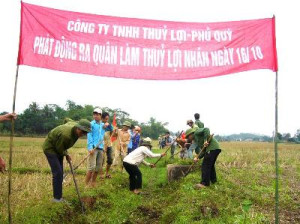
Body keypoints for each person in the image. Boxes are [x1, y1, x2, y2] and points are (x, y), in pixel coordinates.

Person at [43, 118, 91, 202]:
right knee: (57, 173)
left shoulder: (74, 124)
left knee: (60, 172)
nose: (83, 134)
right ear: (78, 128)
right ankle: (56, 199)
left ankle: (59, 196)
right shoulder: (66, 136)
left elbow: (66, 119)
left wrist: (62, 126)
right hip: (50, 148)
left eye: (85, 133)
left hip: (59, 146)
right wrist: (66, 154)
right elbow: (59, 149)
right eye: (82, 132)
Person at [86, 108, 106, 187]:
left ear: (101, 116)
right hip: (94, 148)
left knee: (98, 167)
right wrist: (90, 148)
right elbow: (89, 136)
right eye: (94, 114)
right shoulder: (91, 124)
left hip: (101, 147)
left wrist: (108, 125)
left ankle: (93, 182)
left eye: (97, 114)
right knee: (92, 167)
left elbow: (111, 129)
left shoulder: (102, 125)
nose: (96, 116)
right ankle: (86, 184)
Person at [102, 112, 114, 179]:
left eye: (107, 119)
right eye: (105, 119)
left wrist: (115, 132)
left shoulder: (110, 126)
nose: (107, 120)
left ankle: (106, 173)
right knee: (101, 160)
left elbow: (112, 134)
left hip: (109, 144)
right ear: (102, 118)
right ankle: (100, 174)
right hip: (101, 145)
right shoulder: (100, 125)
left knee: (110, 159)